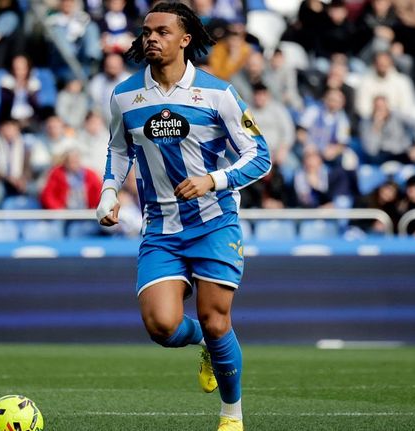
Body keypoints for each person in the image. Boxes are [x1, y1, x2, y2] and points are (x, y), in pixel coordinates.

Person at [95, 3, 271, 430]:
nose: (151, 38)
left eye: (162, 32)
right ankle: (209, 346)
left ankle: (232, 415)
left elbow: (259, 155)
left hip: (213, 223)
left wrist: (214, 180)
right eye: (146, 32)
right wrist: (108, 191)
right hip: (161, 228)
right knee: (162, 325)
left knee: (216, 319)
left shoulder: (218, 94)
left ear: (185, 39)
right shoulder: (124, 96)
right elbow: (119, 150)